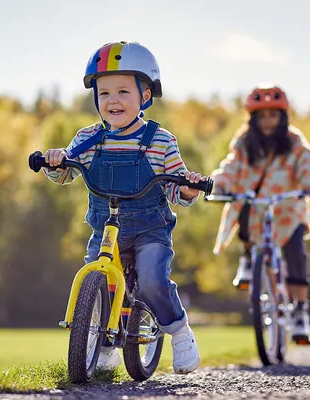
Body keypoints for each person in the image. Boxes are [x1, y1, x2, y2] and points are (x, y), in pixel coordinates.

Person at [41, 41, 206, 374]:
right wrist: (56, 161)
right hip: (105, 228)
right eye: (104, 94)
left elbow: (175, 189)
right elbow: (66, 172)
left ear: (145, 95)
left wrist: (187, 188)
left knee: (151, 282)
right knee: (98, 278)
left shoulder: (160, 140)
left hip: (149, 229)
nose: (112, 100)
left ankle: (178, 331)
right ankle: (101, 347)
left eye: (122, 92)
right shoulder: (89, 138)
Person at [209, 84, 310, 343]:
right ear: (252, 119)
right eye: (261, 116)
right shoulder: (244, 142)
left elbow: (308, 164)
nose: (267, 122)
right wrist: (220, 184)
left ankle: (299, 312)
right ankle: (248, 259)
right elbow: (231, 166)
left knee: (296, 251)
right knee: (240, 208)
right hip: (255, 205)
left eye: (272, 115)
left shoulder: (294, 141)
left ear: (282, 116)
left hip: (288, 208)